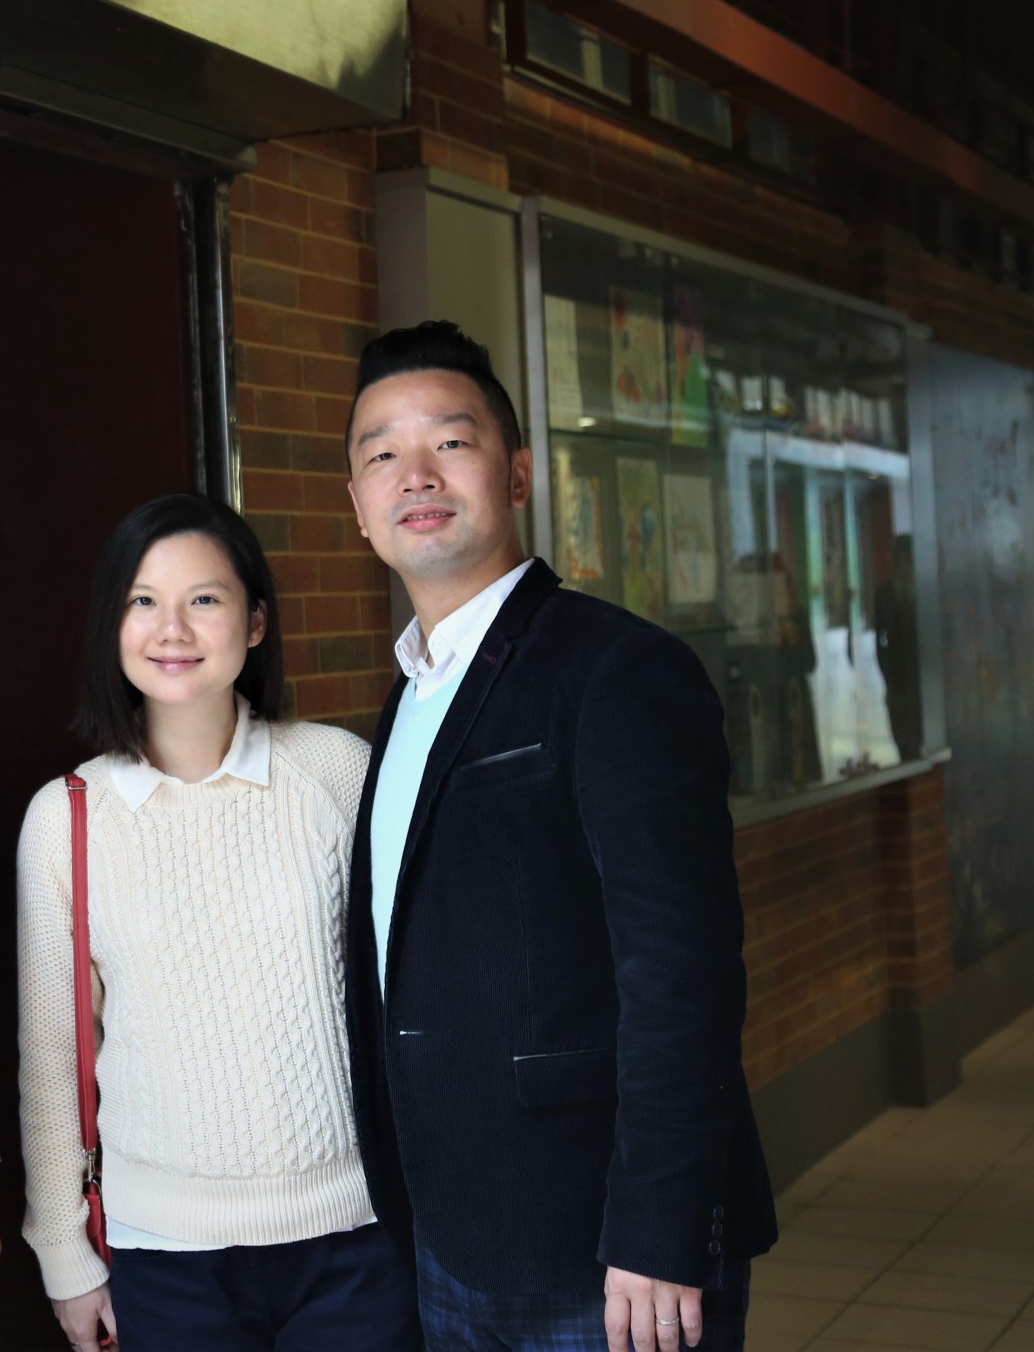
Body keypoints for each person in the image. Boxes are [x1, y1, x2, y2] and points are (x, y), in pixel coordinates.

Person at [339, 322, 775, 1352]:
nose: (416, 474)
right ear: (357, 505)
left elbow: (681, 969)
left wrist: (660, 1225)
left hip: (606, 1247)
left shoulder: (617, 670)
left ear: (519, 473)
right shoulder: (408, 696)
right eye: (382, 454)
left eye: (451, 441)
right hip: (454, 1232)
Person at [17, 493, 422, 1352]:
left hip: (355, 1237)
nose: (173, 628)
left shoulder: (337, 774)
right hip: (164, 1257)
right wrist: (64, 1255)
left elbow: (409, 996)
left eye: (204, 598)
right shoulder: (67, 818)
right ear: (111, 624)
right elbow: (53, 1057)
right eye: (143, 601)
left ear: (256, 622)